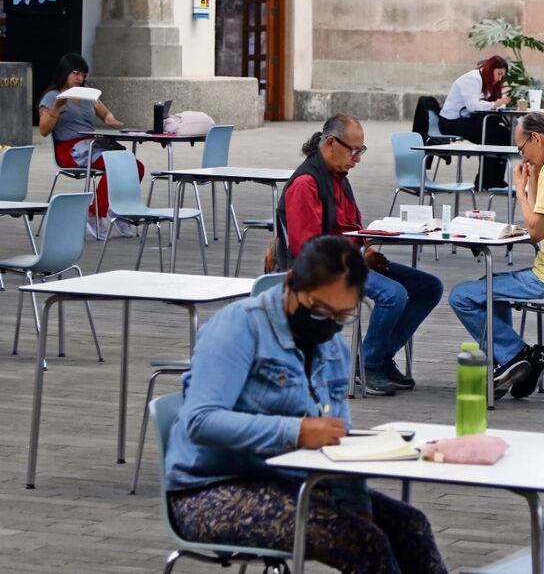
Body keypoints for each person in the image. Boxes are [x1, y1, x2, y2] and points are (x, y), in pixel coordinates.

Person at [165, 236, 448, 574]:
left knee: (411, 527)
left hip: (291, 483)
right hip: (209, 489)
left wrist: (358, 506)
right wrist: (295, 431)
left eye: (342, 315)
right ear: (291, 284)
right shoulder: (240, 325)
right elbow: (200, 420)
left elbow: (337, 445)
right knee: (361, 542)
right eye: (319, 309)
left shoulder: (333, 349)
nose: (329, 322)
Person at [275, 114, 444, 396]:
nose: (357, 159)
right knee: (393, 294)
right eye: (353, 151)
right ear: (330, 143)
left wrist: (368, 248)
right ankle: (368, 364)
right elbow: (307, 249)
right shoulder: (307, 183)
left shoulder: (338, 176)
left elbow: (350, 226)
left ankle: (380, 355)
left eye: (361, 151)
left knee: (429, 287)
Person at [450, 112, 544, 398]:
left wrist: (519, 189)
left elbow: (535, 232)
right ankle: (507, 362)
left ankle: (519, 355)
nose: (523, 156)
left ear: (536, 139)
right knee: (489, 289)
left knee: (462, 296)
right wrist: (533, 178)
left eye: (522, 149)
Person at [38, 52, 140, 240]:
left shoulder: (87, 94)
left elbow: (105, 113)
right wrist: (57, 107)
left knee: (135, 166)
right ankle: (95, 213)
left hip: (92, 144)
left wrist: (110, 119)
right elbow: (44, 130)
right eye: (76, 73)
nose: (80, 78)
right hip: (69, 150)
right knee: (114, 166)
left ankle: (120, 210)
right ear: (64, 72)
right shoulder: (53, 96)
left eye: (83, 74)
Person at [439, 55, 512, 189]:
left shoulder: (487, 81)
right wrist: (494, 104)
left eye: (502, 75)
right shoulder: (472, 79)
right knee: (492, 135)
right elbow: (473, 106)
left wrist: (499, 103)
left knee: (504, 134)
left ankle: (496, 179)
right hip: (450, 122)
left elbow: (487, 103)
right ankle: (486, 180)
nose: (499, 78)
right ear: (490, 69)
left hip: (466, 119)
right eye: (499, 73)